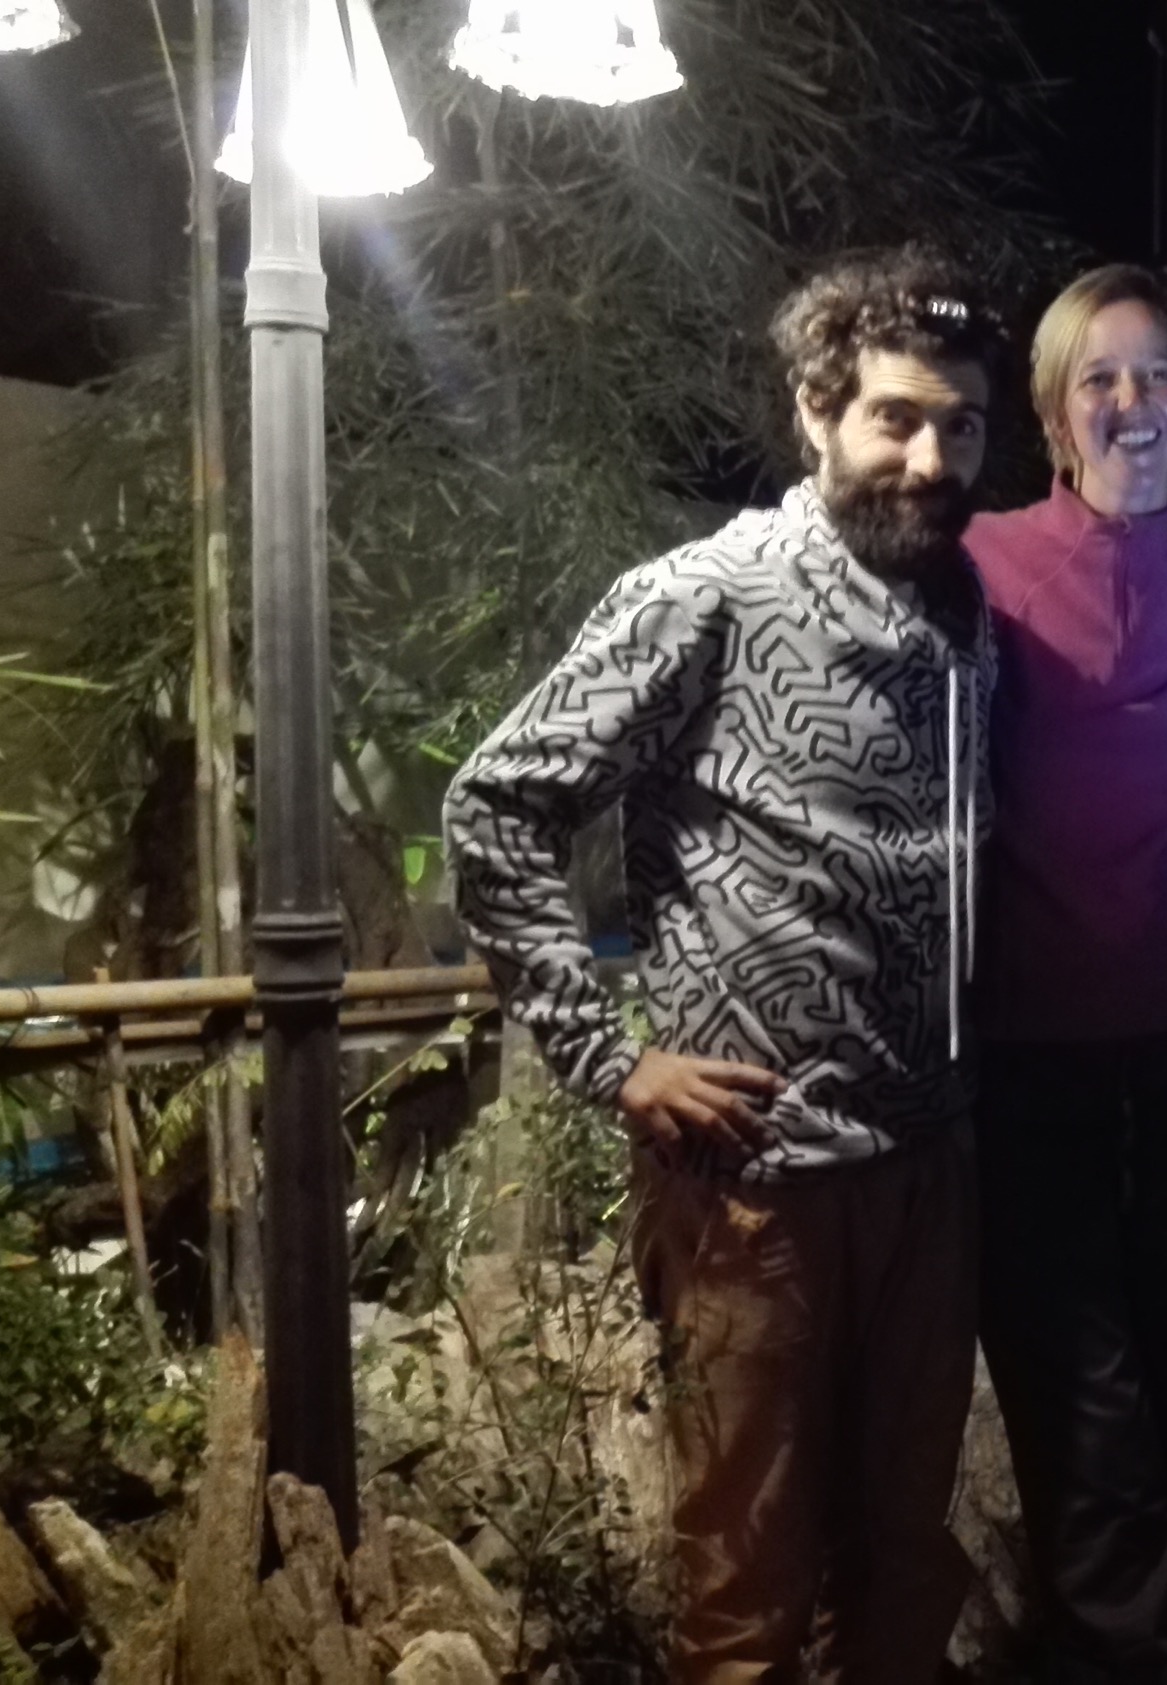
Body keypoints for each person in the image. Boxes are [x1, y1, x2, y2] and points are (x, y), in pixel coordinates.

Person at [445, 246, 997, 1682]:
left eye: (961, 424)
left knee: (904, 1572)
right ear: (816, 411)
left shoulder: (966, 610)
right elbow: (496, 806)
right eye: (895, 417)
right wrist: (610, 1057)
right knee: (745, 1593)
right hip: (759, 1186)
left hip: (928, 1172)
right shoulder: (708, 593)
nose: (930, 457)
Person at [962, 262, 1167, 1685]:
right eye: (1100, 378)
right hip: (1033, 1043)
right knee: (1068, 1360)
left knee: (1166, 1347)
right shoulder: (980, 566)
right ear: (1051, 416)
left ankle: (1108, 1624)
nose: (1131, 401)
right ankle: (1129, 1646)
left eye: (1157, 376)